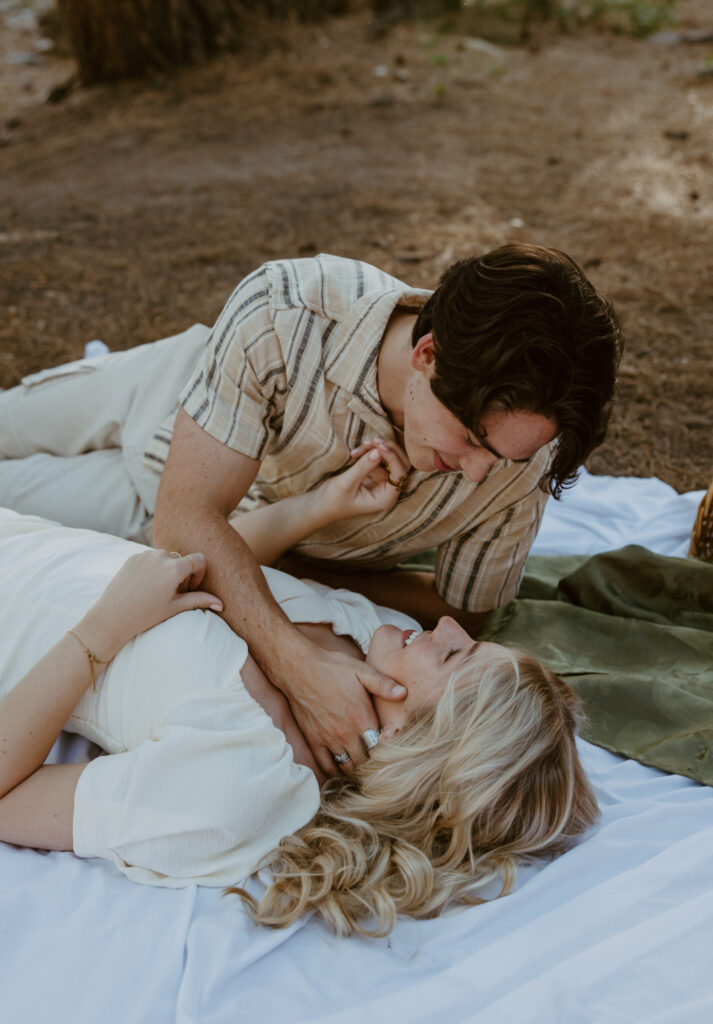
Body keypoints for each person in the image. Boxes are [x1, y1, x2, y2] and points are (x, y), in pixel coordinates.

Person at [0, 244, 622, 775]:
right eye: (473, 441)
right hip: (165, 401)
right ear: (428, 357)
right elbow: (188, 518)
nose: (482, 473)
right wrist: (300, 666)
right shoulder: (287, 307)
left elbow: (465, 608)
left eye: (507, 458)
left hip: (150, 534)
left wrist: (283, 563)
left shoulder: (523, 460)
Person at [0, 456, 598, 936]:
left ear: (410, 741)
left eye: (453, 654)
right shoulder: (367, 638)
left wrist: (102, 630)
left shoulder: (240, 785)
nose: (446, 627)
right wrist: (315, 510)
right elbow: (214, 569)